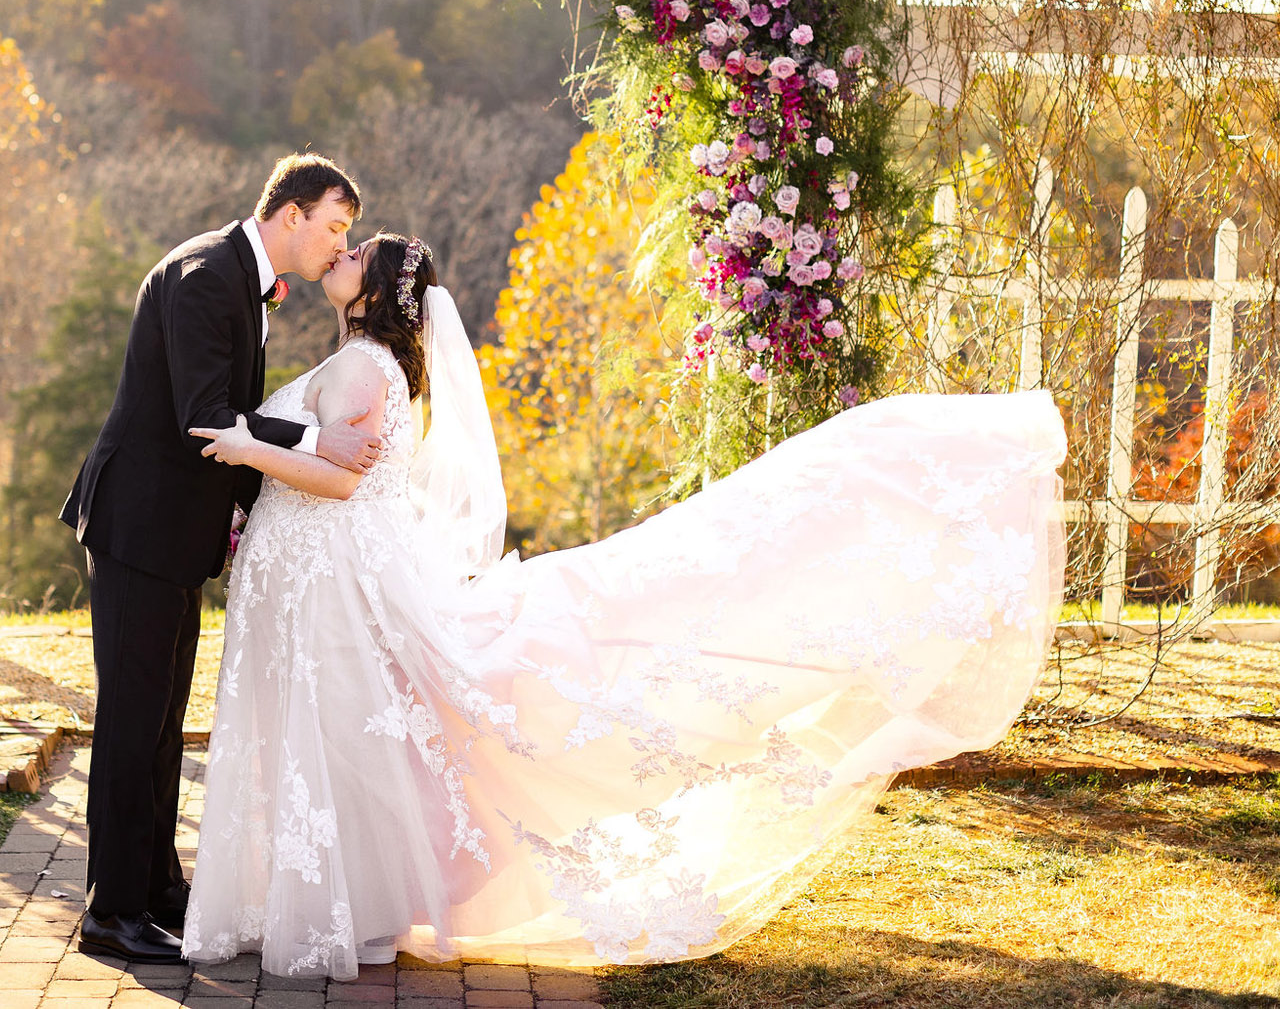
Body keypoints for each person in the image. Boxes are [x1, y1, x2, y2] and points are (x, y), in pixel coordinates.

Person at [182, 233, 1068, 978]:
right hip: (343, 588)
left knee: (407, 728)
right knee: (374, 738)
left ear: (374, 291)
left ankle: (354, 901)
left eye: (354, 253)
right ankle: (361, 896)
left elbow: (343, 475)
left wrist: (241, 447)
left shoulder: (364, 366)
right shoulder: (369, 361)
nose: (338, 253)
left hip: (354, 584)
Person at [57, 154, 384, 964]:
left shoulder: (242, 276)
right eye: (334, 226)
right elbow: (208, 418)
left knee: (164, 717)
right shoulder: (207, 275)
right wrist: (319, 442)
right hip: (138, 526)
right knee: (134, 720)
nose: (337, 245)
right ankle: (111, 911)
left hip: (172, 536)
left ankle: (158, 883)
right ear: (291, 214)